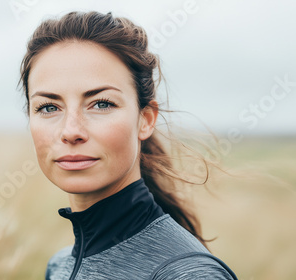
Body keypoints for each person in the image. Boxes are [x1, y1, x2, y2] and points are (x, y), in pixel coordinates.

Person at [18, 11, 238, 280]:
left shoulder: (187, 275)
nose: (71, 131)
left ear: (145, 119)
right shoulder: (59, 266)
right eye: (49, 107)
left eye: (101, 104)